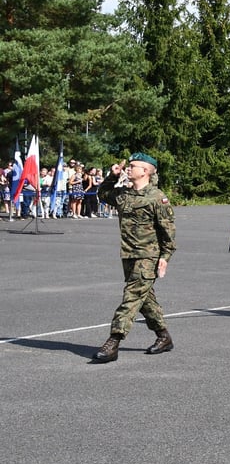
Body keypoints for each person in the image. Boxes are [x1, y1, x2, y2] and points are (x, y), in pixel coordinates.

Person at [92, 152, 176, 363]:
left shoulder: (157, 198)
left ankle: (113, 342)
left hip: (148, 256)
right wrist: (112, 176)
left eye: (133, 166)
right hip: (128, 254)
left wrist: (165, 256)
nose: (128, 169)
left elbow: (168, 232)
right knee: (145, 299)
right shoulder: (124, 195)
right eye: (128, 166)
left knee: (130, 298)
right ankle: (164, 337)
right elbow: (102, 194)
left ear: (145, 171)